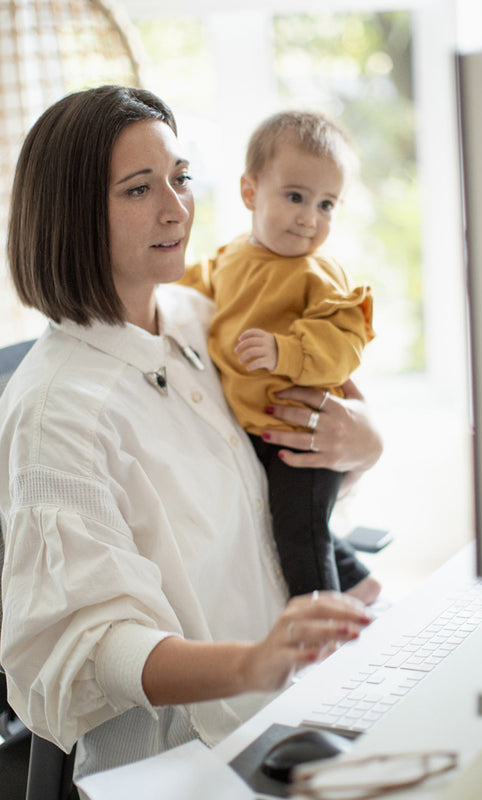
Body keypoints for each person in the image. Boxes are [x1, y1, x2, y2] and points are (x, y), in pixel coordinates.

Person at [0, 86, 383, 787]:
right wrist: (250, 661)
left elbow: (279, 462)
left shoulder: (194, 317)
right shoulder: (57, 413)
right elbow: (89, 649)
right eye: (139, 188)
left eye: (179, 178)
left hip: (291, 706)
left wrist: (362, 444)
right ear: (73, 212)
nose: (176, 208)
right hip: (189, 754)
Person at [181, 110, 378, 600]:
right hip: (257, 429)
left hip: (304, 436)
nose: (310, 217)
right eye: (295, 197)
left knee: (299, 538)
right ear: (250, 193)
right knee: (286, 524)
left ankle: (326, 622)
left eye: (327, 204)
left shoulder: (317, 273)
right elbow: (192, 286)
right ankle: (362, 586)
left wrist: (285, 350)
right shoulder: (231, 257)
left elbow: (344, 343)